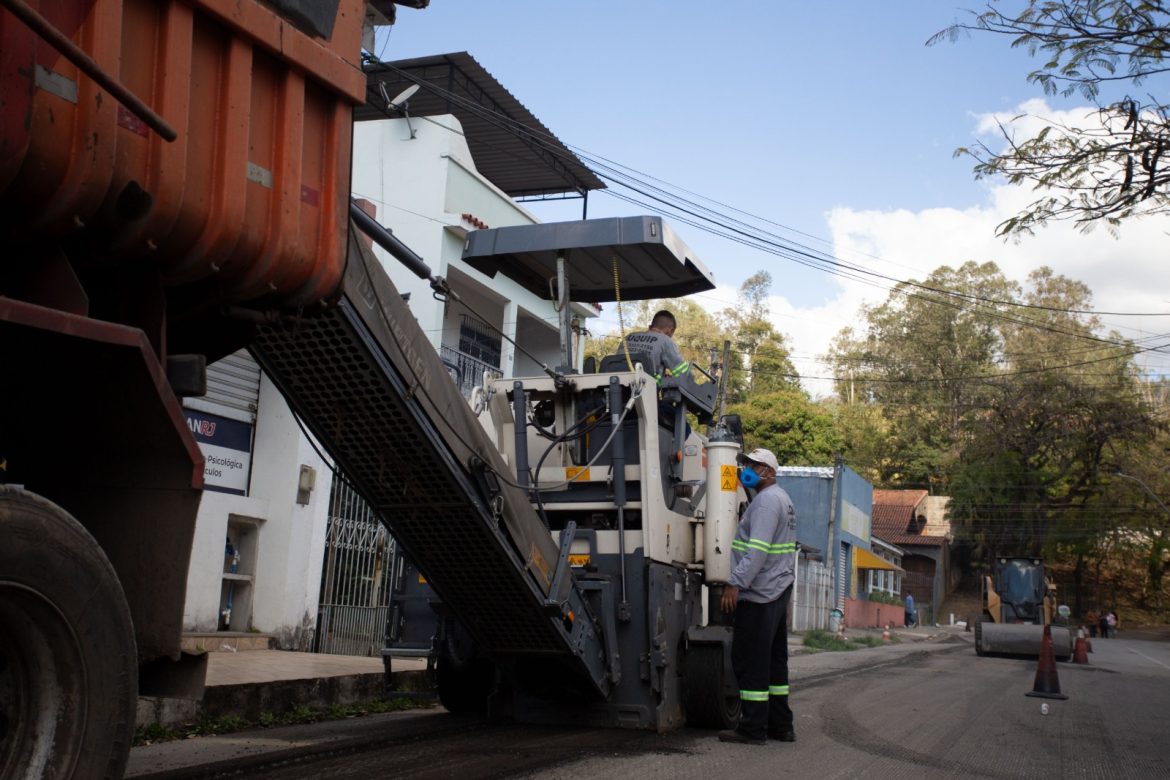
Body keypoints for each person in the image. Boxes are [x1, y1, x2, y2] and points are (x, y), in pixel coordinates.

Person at [718, 448, 798, 746]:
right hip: (777, 589)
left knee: (750, 661)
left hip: (760, 592)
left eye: (754, 465)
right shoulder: (783, 500)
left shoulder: (765, 503)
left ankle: (752, 729)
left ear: (770, 471)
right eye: (746, 464)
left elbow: (757, 550)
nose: (747, 469)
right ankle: (781, 726)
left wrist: (734, 583)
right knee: (776, 664)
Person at [617, 310, 690, 383]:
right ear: (670, 330)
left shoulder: (628, 337)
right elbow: (684, 374)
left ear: (650, 327)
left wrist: (663, 377)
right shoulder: (665, 340)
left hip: (616, 387)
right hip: (646, 391)